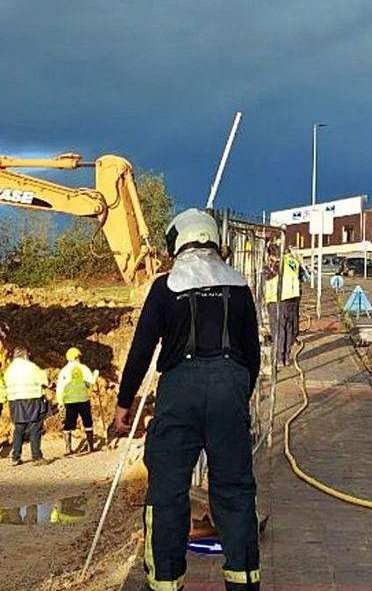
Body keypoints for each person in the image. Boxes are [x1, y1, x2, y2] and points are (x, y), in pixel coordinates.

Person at [115, 208, 262, 591]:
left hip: (180, 391)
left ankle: (165, 582)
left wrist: (124, 402)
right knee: (235, 492)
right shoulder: (239, 286)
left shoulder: (166, 287)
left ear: (177, 242)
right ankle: (243, 582)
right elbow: (253, 354)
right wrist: (236, 399)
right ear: (213, 239)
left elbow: (141, 349)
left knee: (167, 492)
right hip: (230, 388)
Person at [4, 347, 51, 466]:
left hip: (15, 401)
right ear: (25, 355)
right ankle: (36, 456)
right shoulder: (31, 367)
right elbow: (44, 380)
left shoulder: (9, 370)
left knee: (19, 429)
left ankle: (15, 457)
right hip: (32, 399)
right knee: (35, 427)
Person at [264, 242, 301, 368]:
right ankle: (286, 357)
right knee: (288, 328)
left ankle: (279, 358)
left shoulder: (274, 262)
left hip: (277, 298)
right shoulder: (292, 261)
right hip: (292, 298)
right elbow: (300, 275)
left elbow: (269, 275)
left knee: (278, 329)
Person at [57, 346, 99, 455]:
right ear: (77, 357)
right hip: (83, 400)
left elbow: (60, 388)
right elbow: (92, 381)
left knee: (69, 424)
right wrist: (96, 373)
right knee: (87, 422)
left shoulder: (63, 371)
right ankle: (90, 447)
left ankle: (68, 449)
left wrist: (60, 402)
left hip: (69, 401)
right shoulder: (83, 368)